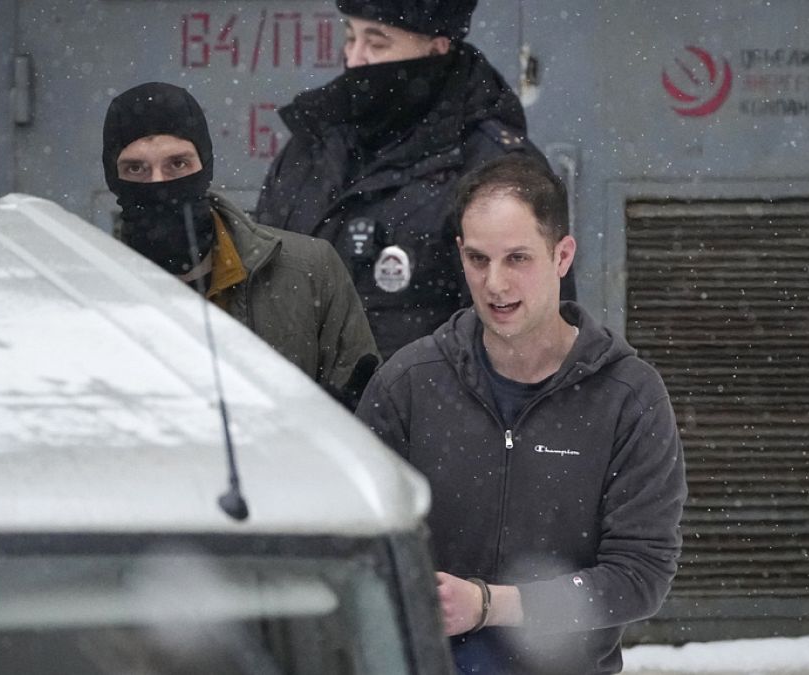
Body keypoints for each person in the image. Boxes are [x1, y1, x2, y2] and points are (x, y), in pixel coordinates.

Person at [356, 155, 686, 674]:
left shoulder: (628, 396)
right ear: (460, 254)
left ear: (562, 256)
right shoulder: (410, 383)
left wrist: (488, 605)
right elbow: (355, 545)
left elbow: (639, 577)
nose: (495, 284)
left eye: (517, 259)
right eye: (479, 260)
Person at [255, 0, 573, 361]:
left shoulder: (492, 167)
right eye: (350, 38)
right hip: (296, 407)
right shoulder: (313, 144)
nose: (355, 58)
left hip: (420, 413)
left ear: (436, 47)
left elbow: (532, 344)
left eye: (377, 43)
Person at [103, 82, 379, 408]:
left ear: (204, 165)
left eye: (178, 164)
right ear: (112, 176)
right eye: (136, 169)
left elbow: (365, 418)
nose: (159, 184)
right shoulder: (86, 290)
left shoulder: (308, 272)